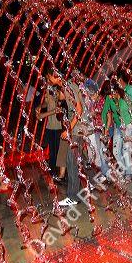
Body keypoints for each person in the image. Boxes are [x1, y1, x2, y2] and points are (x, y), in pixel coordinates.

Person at [48, 70, 86, 207]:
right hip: (78, 129)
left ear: (54, 75)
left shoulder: (67, 86)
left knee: (71, 162)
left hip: (76, 130)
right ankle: (79, 192)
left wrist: (68, 129)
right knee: (74, 162)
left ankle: (73, 196)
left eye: (49, 77)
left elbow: (79, 109)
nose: (50, 80)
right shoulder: (68, 86)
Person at [102, 72, 132, 182]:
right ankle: (123, 170)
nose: (109, 97)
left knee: (125, 150)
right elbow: (104, 112)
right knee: (115, 152)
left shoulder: (126, 96)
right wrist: (105, 128)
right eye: (108, 95)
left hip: (129, 126)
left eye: (111, 94)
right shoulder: (110, 98)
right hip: (118, 126)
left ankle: (128, 173)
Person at [36, 70, 64, 178]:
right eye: (46, 79)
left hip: (57, 126)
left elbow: (59, 109)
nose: (47, 81)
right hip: (50, 126)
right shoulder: (48, 89)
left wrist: (43, 115)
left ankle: (56, 174)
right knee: (52, 150)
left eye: (48, 78)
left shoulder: (58, 90)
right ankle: (52, 173)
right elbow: (47, 103)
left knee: (56, 152)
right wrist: (40, 106)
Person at [82, 79, 109, 177]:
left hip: (101, 130)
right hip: (96, 129)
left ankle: (106, 174)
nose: (90, 96)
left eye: (91, 93)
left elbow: (107, 115)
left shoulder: (101, 100)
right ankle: (104, 172)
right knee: (97, 152)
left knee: (101, 152)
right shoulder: (91, 100)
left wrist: (105, 132)